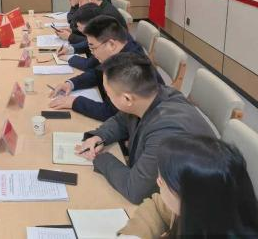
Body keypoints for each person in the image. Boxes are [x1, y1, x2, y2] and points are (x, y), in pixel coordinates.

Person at [75, 53, 215, 204]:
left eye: (108, 93)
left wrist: (100, 157)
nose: (108, 97)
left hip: (193, 206)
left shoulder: (165, 133)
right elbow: (121, 120)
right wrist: (99, 136)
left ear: (127, 99)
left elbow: (135, 191)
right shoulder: (153, 95)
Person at [119, 136, 258, 238]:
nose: (158, 182)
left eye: (163, 181)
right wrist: (132, 236)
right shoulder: (212, 205)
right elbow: (158, 206)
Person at [49, 16, 163, 121]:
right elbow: (97, 73)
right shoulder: (120, 50)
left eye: (93, 48)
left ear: (111, 45)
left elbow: (110, 113)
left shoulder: (129, 67)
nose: (92, 53)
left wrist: (74, 102)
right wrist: (71, 84)